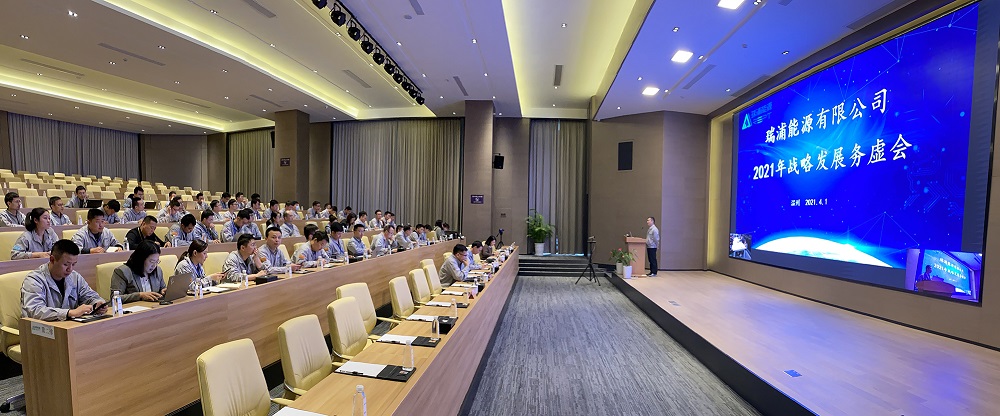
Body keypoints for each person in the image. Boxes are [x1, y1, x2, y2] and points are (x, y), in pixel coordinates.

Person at [21, 240, 107, 321]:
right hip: (42, 329)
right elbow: (35, 310)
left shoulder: (75, 277)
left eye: (73, 264)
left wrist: (97, 304)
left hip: (68, 326)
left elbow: (90, 296)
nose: (70, 269)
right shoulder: (34, 280)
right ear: (52, 260)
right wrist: (69, 313)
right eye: (66, 264)